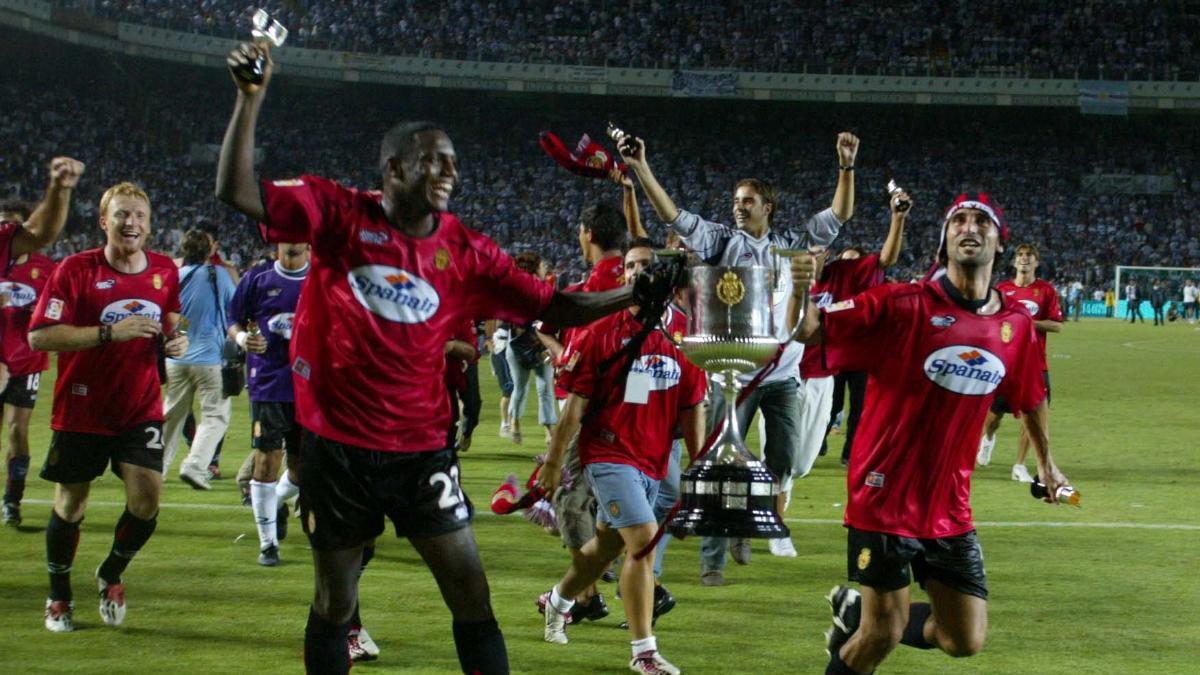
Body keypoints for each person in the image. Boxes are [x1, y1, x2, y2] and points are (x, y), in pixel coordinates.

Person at [217, 41, 655, 674]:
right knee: (335, 602)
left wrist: (629, 293)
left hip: (419, 449)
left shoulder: (468, 252)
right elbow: (236, 190)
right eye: (432, 161)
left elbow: (555, 306)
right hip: (335, 448)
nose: (448, 173)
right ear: (393, 168)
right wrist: (249, 97)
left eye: (452, 163)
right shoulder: (339, 212)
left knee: (471, 594)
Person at [789, 192, 1070, 675]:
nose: (969, 227)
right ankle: (863, 624)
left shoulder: (1015, 325)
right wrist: (799, 288)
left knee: (964, 639)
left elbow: (1029, 395)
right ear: (944, 239)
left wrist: (1046, 461)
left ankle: (853, 611)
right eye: (958, 220)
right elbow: (809, 331)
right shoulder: (900, 304)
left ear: (998, 242)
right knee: (883, 633)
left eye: (981, 221)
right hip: (884, 495)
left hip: (950, 502)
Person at [620, 129, 857, 577]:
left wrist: (846, 166)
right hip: (734, 373)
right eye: (736, 199)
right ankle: (714, 559)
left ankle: (749, 516)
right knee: (717, 459)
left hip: (782, 375)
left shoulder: (793, 242)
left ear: (767, 207)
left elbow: (840, 213)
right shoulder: (721, 242)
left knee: (784, 459)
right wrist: (641, 167)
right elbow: (674, 216)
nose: (738, 205)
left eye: (747, 200)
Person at [538, 244, 706, 675]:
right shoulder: (601, 329)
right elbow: (574, 405)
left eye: (646, 267)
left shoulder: (686, 333)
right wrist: (554, 463)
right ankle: (643, 652)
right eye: (630, 267)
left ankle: (557, 600)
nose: (636, 274)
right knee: (644, 541)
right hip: (608, 453)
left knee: (605, 548)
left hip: (653, 457)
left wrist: (698, 469)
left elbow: (692, 406)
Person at [30, 180, 189, 633]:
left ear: (150, 224)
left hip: (139, 406)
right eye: (121, 214)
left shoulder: (164, 270)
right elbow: (40, 335)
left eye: (139, 216)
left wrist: (177, 340)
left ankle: (111, 573)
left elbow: (170, 320)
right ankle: (58, 597)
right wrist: (107, 333)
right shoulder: (74, 270)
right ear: (105, 222)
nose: (131, 223)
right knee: (71, 503)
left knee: (146, 501)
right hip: (82, 408)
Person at [790, 186, 910, 487]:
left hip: (823, 374)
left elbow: (885, 260)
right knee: (779, 458)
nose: (810, 258)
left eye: (815, 253)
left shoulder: (843, 273)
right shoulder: (783, 278)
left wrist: (897, 218)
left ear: (826, 253)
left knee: (802, 463)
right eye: (805, 252)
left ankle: (844, 450)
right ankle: (778, 528)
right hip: (785, 376)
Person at [1, 179, 81, 527]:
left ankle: (12, 501)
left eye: (11, 223)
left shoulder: (46, 270)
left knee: (18, 432)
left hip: (26, 361)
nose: (5, 229)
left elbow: (55, 311)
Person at [226, 242, 309, 566]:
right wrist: (243, 339)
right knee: (267, 462)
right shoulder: (257, 278)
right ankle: (268, 544)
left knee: (304, 470)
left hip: (310, 387)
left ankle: (273, 501)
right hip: (268, 385)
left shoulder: (321, 279)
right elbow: (233, 319)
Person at [975, 243, 1064, 482]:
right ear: (1015, 262)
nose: (1024, 259)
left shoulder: (1045, 291)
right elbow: (989, 320)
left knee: (1032, 416)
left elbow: (1057, 325)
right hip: (1006, 363)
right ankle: (988, 438)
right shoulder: (1002, 289)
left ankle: (1019, 465)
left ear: (1036, 263)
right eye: (1020, 256)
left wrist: (1027, 322)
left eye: (1029, 256)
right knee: (993, 418)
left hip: (1036, 365)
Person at [160, 228, 237, 489]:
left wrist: (181, 335)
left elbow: (176, 317)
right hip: (209, 359)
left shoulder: (174, 276)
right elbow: (235, 311)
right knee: (215, 416)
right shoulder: (219, 276)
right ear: (210, 250)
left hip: (177, 357)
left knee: (171, 415)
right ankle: (195, 466)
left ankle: (154, 468)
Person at [505, 252, 558, 445]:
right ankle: (515, 422)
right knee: (520, 388)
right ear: (534, 269)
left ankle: (549, 428)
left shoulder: (545, 290)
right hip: (521, 348)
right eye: (542, 266)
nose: (545, 269)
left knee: (545, 388)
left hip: (541, 347)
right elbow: (517, 324)